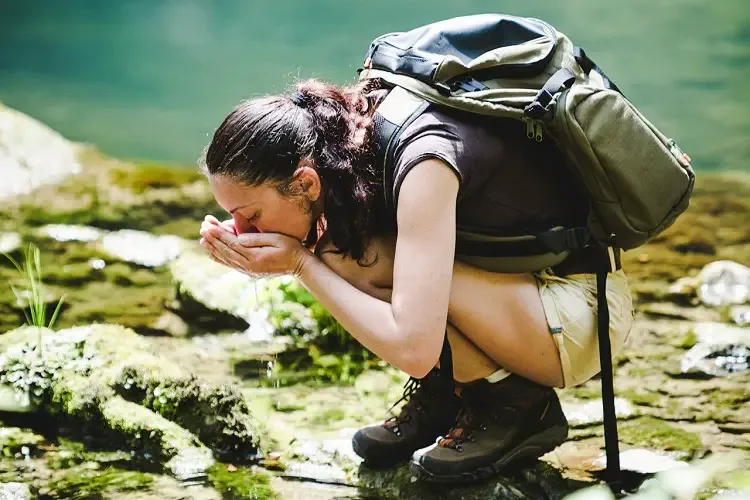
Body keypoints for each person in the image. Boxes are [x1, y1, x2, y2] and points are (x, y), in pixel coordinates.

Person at [198, 77, 635, 482]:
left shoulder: (424, 163)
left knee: (356, 256)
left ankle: (512, 405)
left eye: (251, 216)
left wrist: (299, 264)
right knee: (346, 249)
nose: (245, 232)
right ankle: (450, 394)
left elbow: (412, 347)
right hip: (526, 300)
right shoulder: (352, 138)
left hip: (581, 317)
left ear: (306, 183)